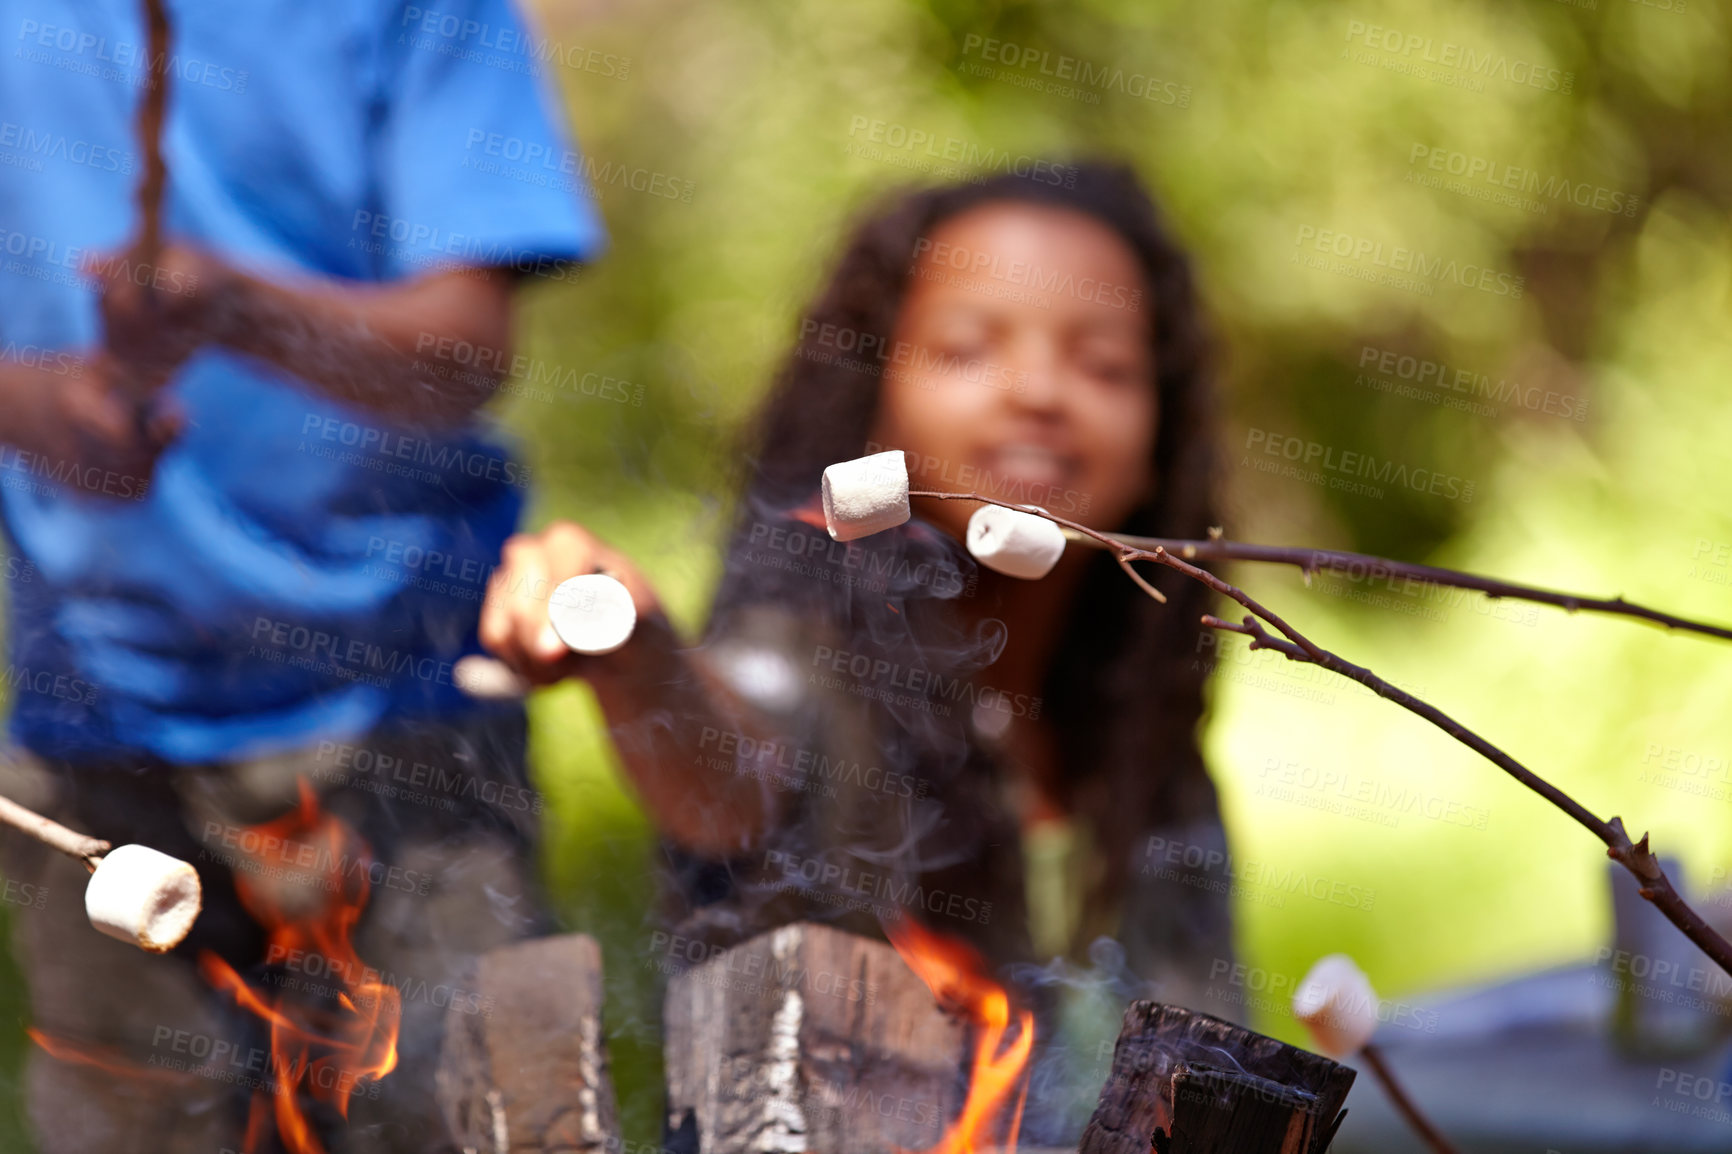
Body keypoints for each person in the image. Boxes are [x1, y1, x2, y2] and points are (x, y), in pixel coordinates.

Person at [480, 162, 1235, 1141]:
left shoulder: (1153, 765)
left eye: (1103, 365)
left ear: (1158, 444)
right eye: (967, 347)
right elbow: (729, 761)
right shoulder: (808, 661)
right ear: (873, 407)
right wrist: (630, 643)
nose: (1039, 391)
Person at [0, 1, 609, 1150]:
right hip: (95, 718)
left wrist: (238, 308)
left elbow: (462, 354)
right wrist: (45, 408)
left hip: (413, 703)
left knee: (470, 1118)